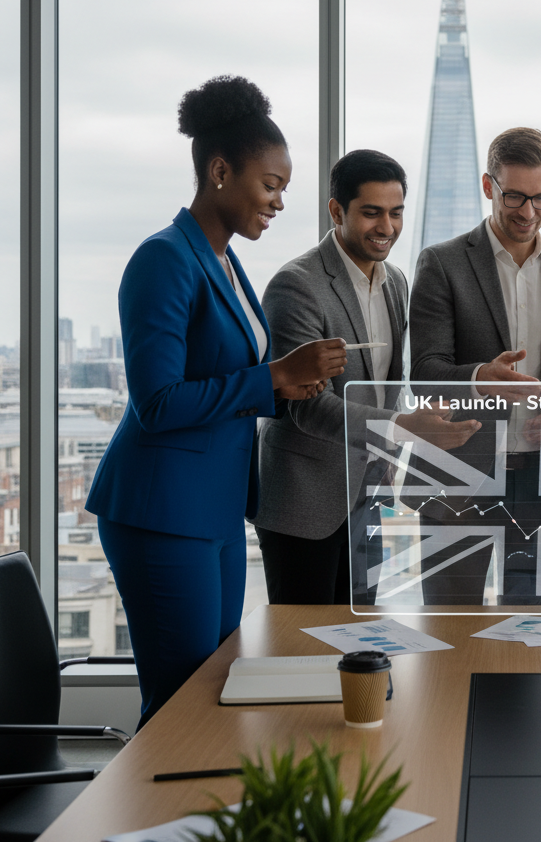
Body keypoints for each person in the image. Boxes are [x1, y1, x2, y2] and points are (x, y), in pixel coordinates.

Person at [86, 75, 346, 728]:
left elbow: (236, 379)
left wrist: (289, 384)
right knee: (179, 707)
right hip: (163, 511)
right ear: (221, 171)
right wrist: (273, 378)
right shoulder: (163, 259)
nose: (280, 202)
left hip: (218, 509)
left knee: (216, 691)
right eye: (271, 185)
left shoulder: (225, 262)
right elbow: (156, 402)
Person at [254, 150, 480, 605]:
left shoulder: (396, 281)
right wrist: (402, 428)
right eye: (372, 213)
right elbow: (305, 407)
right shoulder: (297, 285)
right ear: (337, 211)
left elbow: (386, 384)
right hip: (304, 500)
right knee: (303, 638)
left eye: (396, 213)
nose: (387, 227)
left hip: (369, 495)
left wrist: (415, 421)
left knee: (358, 632)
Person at [410, 126, 541, 604]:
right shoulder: (441, 263)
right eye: (514, 196)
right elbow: (424, 374)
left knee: (531, 630)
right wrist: (479, 379)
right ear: (487, 185)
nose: (528, 212)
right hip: (457, 477)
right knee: (449, 627)